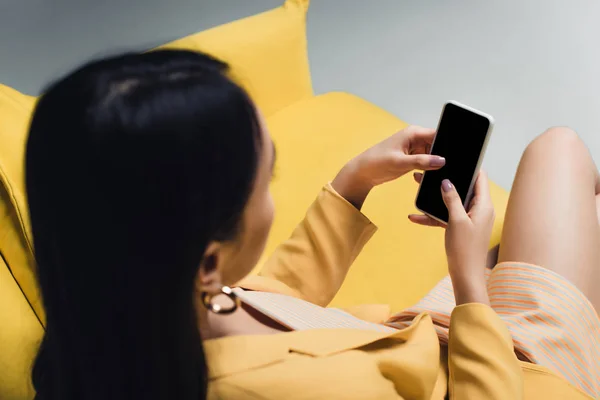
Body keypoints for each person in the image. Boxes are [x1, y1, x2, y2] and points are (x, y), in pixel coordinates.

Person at [26, 49, 599, 400]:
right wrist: (472, 283)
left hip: (435, 335)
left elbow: (263, 301)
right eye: (266, 180)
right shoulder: (293, 393)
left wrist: (352, 183)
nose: (272, 194)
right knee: (562, 151)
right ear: (206, 260)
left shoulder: (138, 309)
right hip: (506, 372)